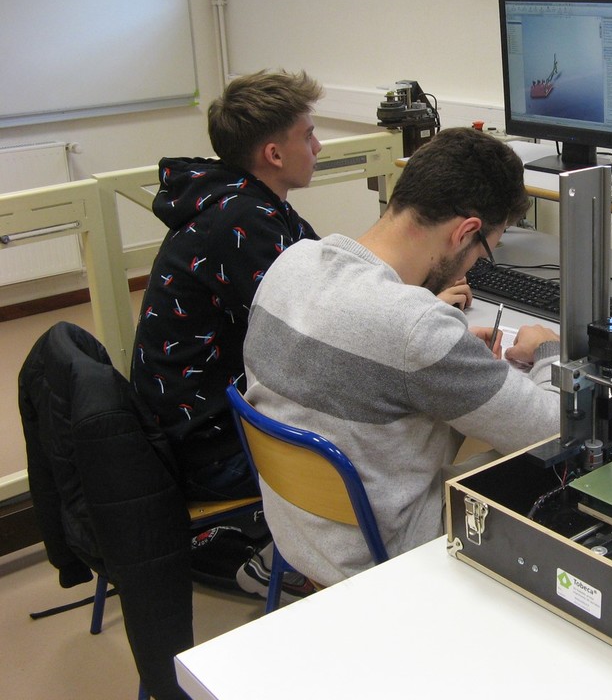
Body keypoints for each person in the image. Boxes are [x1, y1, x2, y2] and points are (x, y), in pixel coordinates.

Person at [242, 126, 561, 586]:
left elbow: (367, 356)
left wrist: (453, 358)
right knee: (556, 467)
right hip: (380, 555)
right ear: (466, 232)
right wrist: (548, 350)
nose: (475, 266)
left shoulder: (291, 263)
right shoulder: (416, 329)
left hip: (298, 534)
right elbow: (552, 432)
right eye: (484, 253)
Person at [131, 69, 326, 599]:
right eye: (308, 134)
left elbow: (324, 273)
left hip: (195, 426)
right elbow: (316, 328)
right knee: (373, 428)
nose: (318, 146)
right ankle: (287, 558)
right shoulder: (243, 218)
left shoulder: (245, 198)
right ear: (274, 154)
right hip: (211, 451)